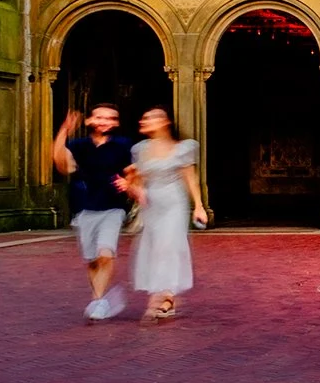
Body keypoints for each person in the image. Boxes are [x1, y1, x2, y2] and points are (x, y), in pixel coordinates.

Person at [123, 106, 206, 323]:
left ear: (164, 121)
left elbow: (190, 178)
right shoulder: (140, 149)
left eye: (150, 117)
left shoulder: (182, 148)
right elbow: (139, 179)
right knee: (153, 246)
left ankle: (160, 298)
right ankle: (165, 294)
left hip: (173, 203)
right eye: (144, 117)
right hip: (151, 203)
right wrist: (133, 186)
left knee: (167, 246)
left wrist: (198, 206)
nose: (145, 121)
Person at [52, 103, 132, 320]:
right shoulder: (79, 145)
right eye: (100, 117)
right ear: (89, 121)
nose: (105, 121)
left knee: (105, 253)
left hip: (113, 207)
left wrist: (129, 183)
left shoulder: (122, 146)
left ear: (116, 122)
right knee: (92, 260)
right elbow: (62, 165)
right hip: (85, 207)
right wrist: (64, 131)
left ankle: (98, 300)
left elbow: (133, 171)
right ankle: (101, 299)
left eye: (110, 118)